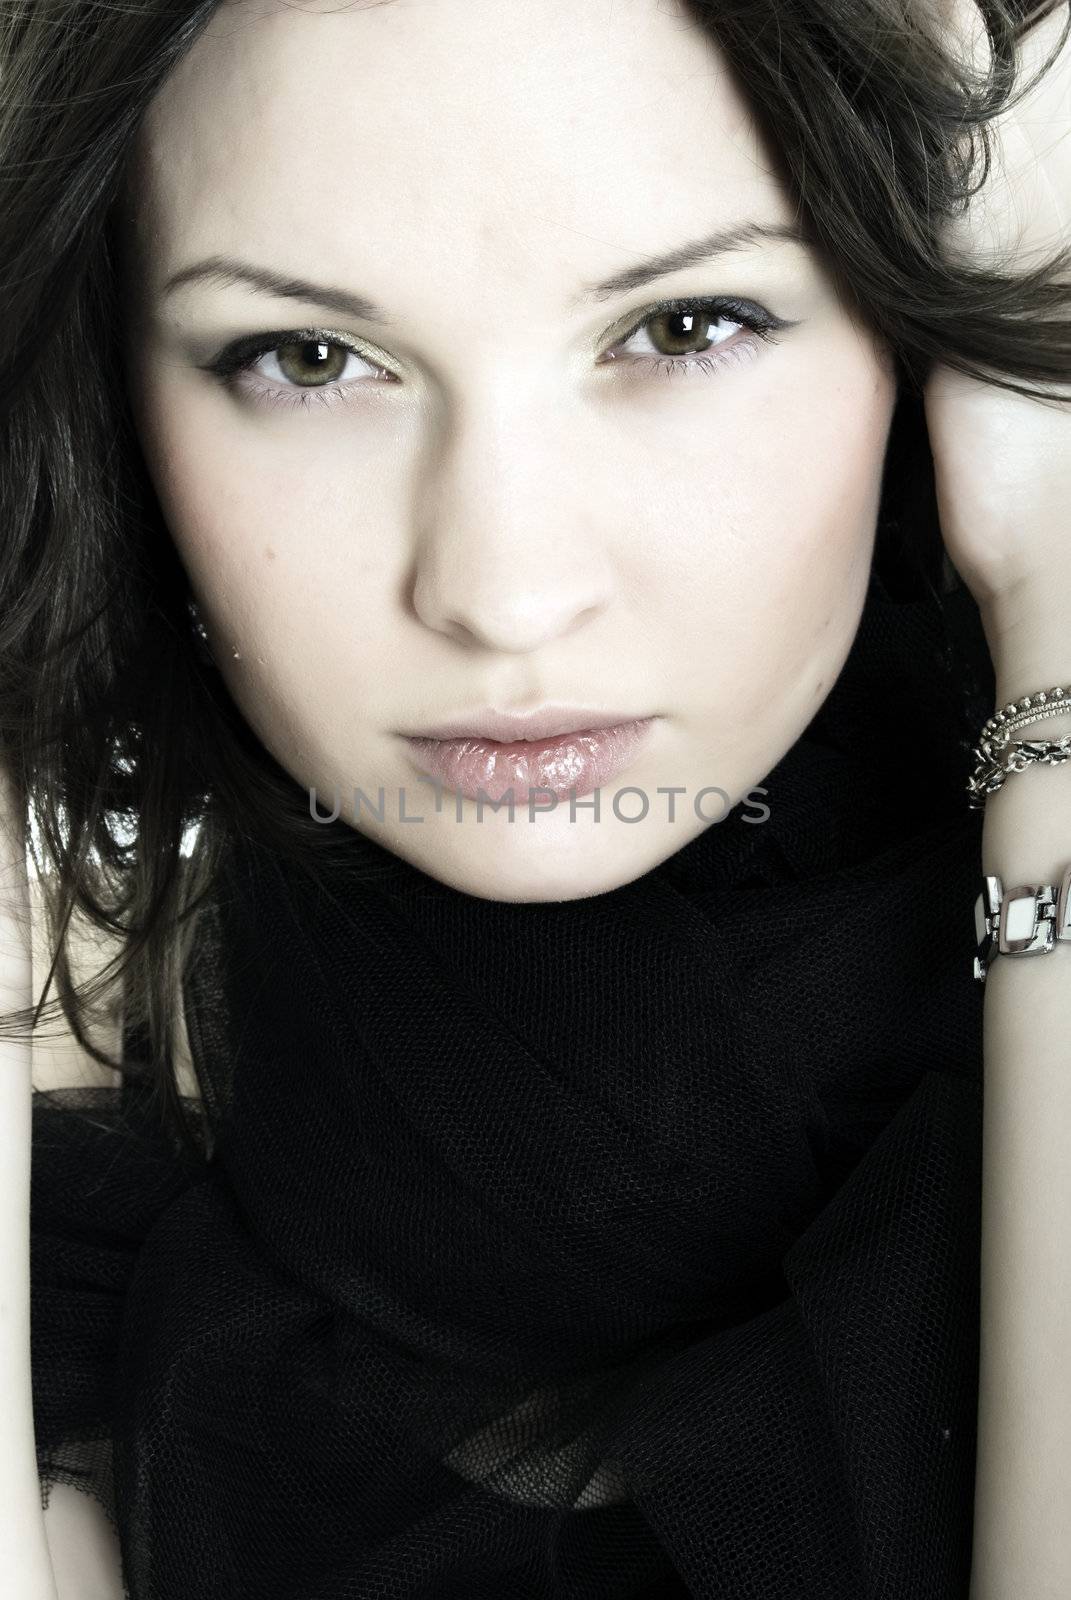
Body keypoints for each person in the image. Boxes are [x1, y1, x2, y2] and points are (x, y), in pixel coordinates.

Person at [1, 0, 1069, 1595]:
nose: (502, 590)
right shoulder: (113, 1278)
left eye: (685, 327)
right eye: (308, 358)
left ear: (911, 332)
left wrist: (1056, 580)